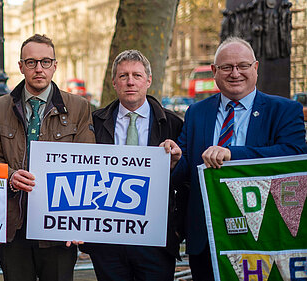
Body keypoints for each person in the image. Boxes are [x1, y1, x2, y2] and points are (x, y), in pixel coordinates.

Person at [162, 37, 307, 280]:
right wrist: (175, 161)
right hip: (208, 239)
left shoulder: (284, 110)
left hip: (264, 238)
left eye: (243, 66)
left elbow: (294, 155)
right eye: (227, 67)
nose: (235, 73)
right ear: (214, 72)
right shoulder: (197, 112)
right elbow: (186, 173)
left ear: (256, 68)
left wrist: (233, 154)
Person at [0, 34, 95, 281]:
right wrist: (11, 176)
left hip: (58, 227)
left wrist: (80, 221)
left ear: (55, 65)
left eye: (45, 62)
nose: (39, 69)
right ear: (21, 66)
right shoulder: (1, 107)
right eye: (31, 62)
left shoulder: (78, 106)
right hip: (14, 225)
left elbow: (87, 165)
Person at [80, 49, 186, 281]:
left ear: (148, 80)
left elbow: (186, 181)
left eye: (137, 76)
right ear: (114, 83)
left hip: (155, 241)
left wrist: (177, 230)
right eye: (123, 76)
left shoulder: (173, 125)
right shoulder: (94, 123)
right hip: (107, 241)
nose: (130, 82)